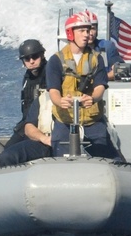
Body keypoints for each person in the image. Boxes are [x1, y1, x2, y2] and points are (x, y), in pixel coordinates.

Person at [46, 11, 120, 159]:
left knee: (110, 159)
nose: (87, 34)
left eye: (88, 30)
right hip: (64, 120)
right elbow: (53, 90)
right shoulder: (55, 61)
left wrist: (93, 98)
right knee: (60, 154)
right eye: (82, 31)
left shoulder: (96, 59)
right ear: (70, 33)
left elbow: (100, 86)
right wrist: (60, 101)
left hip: (92, 121)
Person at [4, 39, 47, 149]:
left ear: (42, 55)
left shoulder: (50, 73)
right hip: (26, 125)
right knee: (7, 149)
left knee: (12, 154)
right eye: (27, 59)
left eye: (35, 57)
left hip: (42, 126)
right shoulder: (28, 76)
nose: (31, 61)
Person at [0, 86, 53, 166]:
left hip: (72, 144)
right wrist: (44, 139)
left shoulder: (77, 99)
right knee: (7, 156)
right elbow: (29, 127)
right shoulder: (43, 99)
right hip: (46, 143)